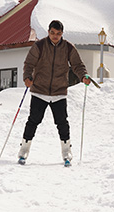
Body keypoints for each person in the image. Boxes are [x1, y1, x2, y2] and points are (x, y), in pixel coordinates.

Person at [18, 20, 91, 166]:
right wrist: (27, 77)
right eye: (52, 33)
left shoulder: (68, 48)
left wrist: (83, 76)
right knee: (33, 121)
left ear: (62, 33)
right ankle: (24, 150)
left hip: (59, 92)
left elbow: (77, 65)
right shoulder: (39, 46)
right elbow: (29, 63)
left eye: (58, 34)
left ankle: (66, 151)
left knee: (62, 122)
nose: (55, 36)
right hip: (40, 90)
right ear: (48, 32)